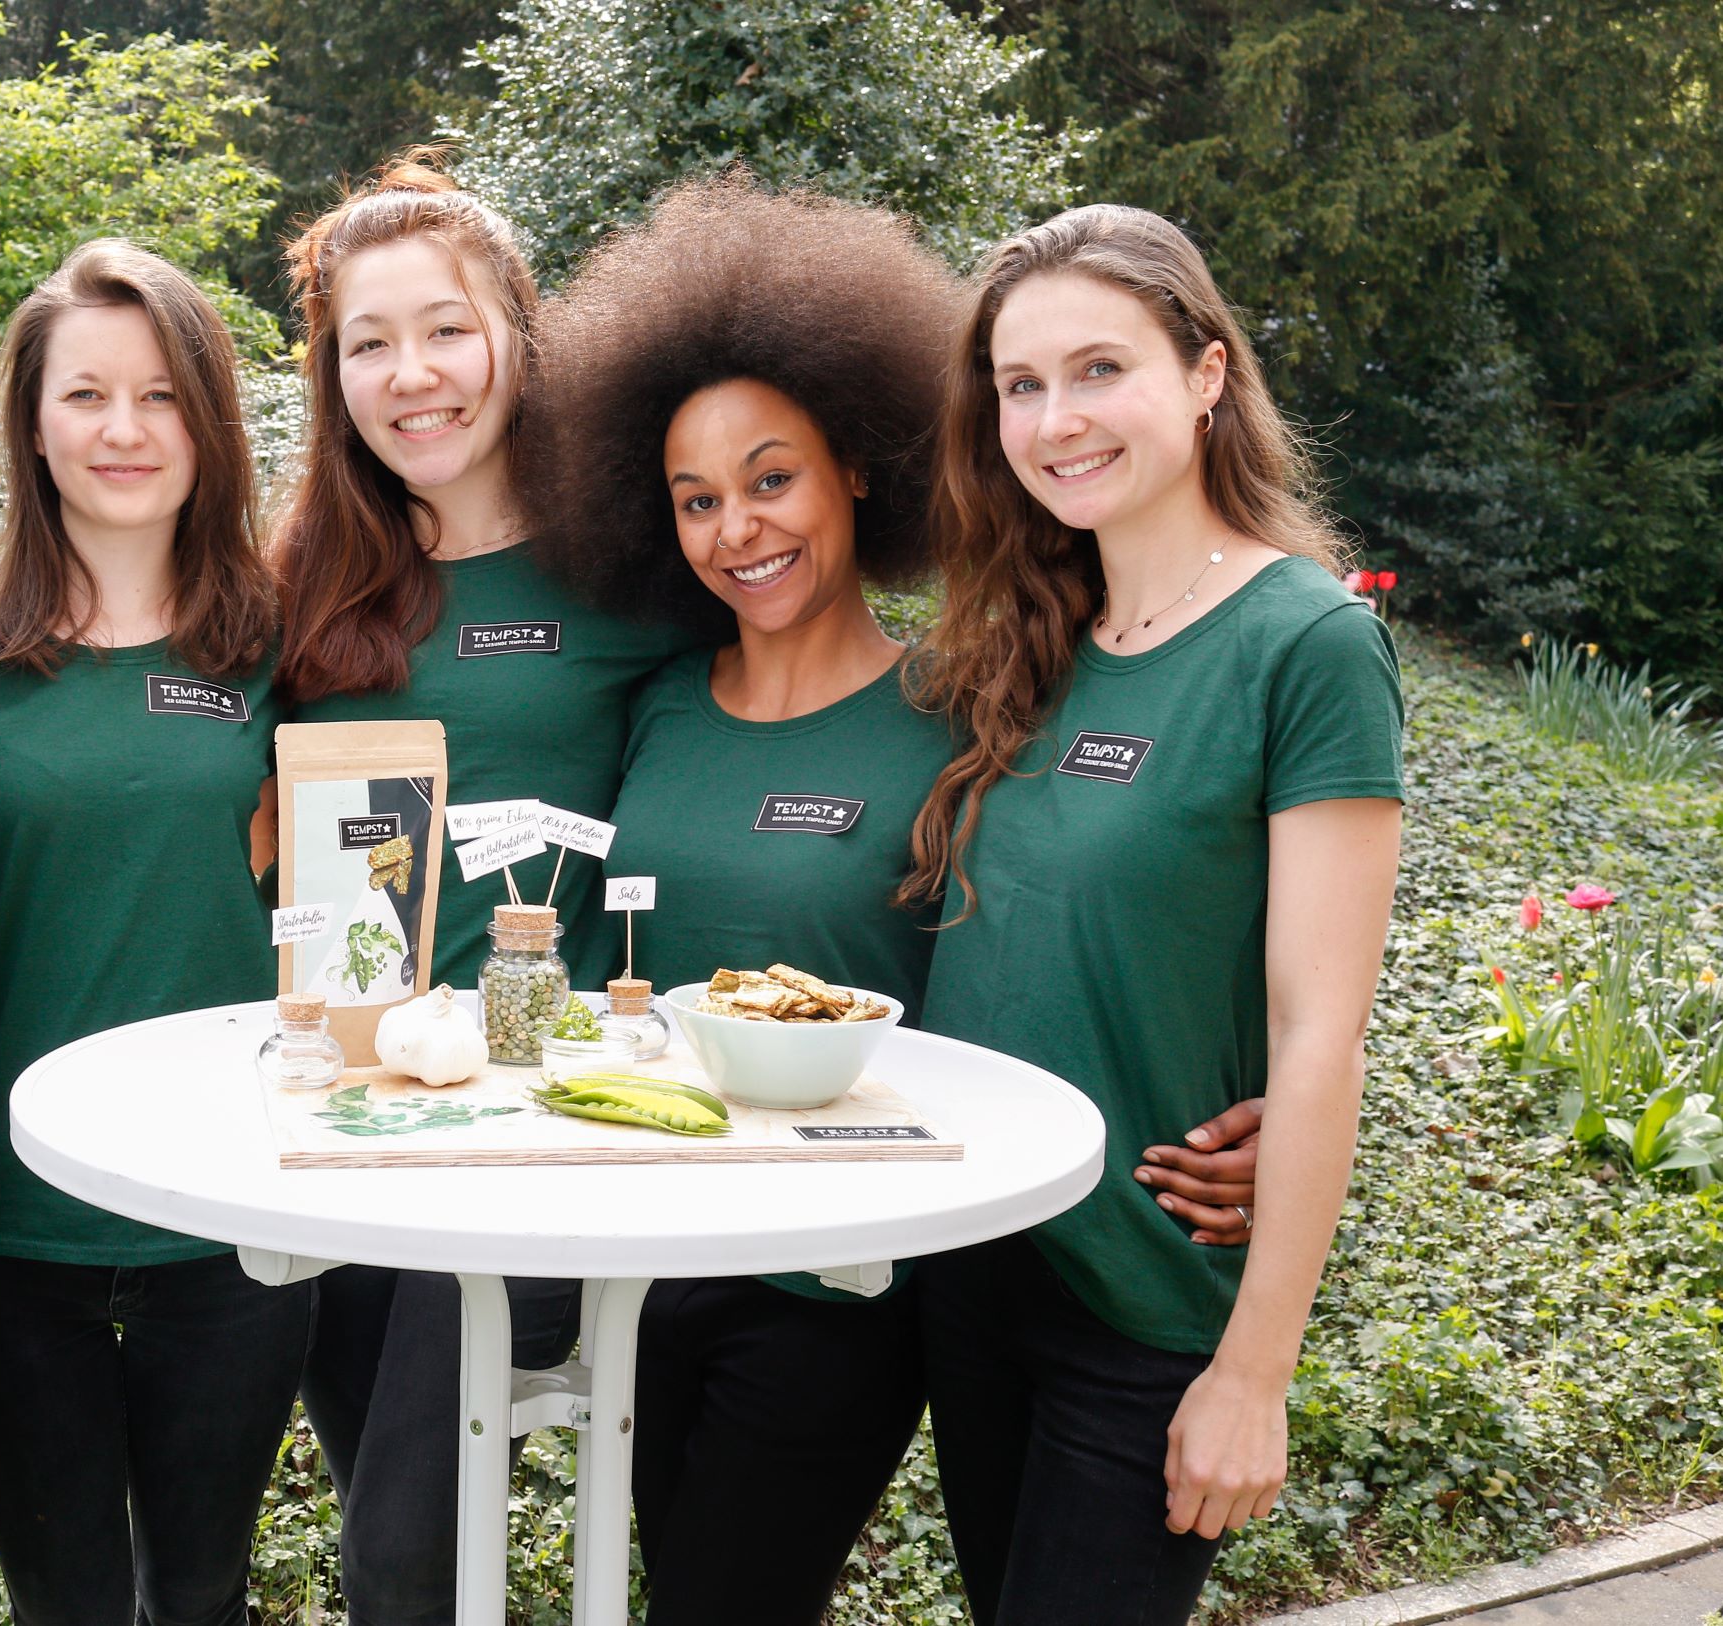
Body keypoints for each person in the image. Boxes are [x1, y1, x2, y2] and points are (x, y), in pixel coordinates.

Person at [528, 176, 1268, 1625]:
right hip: (644, 1256)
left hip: (840, 1283)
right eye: (695, 499)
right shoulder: (655, 702)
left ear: (857, 469)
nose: (736, 528)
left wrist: (1262, 1118)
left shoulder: (973, 709)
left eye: (771, 478)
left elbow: (1112, 901)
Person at [901, 203, 1404, 1625]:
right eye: (1020, 384)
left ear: (1204, 375)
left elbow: (1320, 1032)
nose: (1055, 419)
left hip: (1142, 1299)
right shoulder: (1022, 638)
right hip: (978, 1274)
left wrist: (1254, 1373)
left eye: (1100, 369)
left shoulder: (1307, 645)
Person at [269, 150, 700, 1626]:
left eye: (445, 328)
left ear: (518, 332)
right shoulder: (303, 579)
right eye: (368, 344)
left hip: (529, 1128)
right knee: (392, 1516)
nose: (412, 375)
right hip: (337, 1118)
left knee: (403, 1554)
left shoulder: (637, 569)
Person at [0, 240, 309, 1626]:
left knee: (201, 1589)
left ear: (210, 421)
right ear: (30, 423)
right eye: (85, 395)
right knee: (64, 1603)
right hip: (7, 1222)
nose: (124, 430)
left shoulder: (285, 644)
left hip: (228, 1209)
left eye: (161, 395)